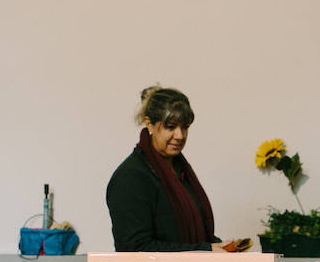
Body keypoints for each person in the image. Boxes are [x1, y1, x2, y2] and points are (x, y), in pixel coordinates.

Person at [105, 85, 244, 252]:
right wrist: (205, 250)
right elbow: (135, 248)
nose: (180, 135)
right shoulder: (130, 178)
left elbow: (188, 236)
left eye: (184, 127)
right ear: (149, 124)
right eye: (170, 126)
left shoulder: (181, 171)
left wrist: (219, 246)